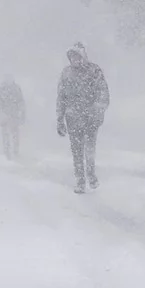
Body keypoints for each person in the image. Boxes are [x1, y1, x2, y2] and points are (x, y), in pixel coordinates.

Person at [55, 42, 109, 193]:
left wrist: (97, 109)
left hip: (91, 119)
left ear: (83, 56)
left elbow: (103, 93)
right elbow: (61, 98)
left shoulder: (94, 71)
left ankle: (91, 176)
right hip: (72, 119)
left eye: (77, 56)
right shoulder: (66, 73)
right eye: (72, 57)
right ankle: (80, 181)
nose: (75, 60)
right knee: (76, 151)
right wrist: (60, 119)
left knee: (90, 149)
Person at [0, 75, 26, 160]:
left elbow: (21, 102)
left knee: (12, 134)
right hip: (7, 115)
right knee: (8, 133)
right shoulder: (1, 90)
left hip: (12, 115)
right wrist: (0, 110)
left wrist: (22, 114)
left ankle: (13, 152)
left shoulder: (13, 89)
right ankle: (9, 152)